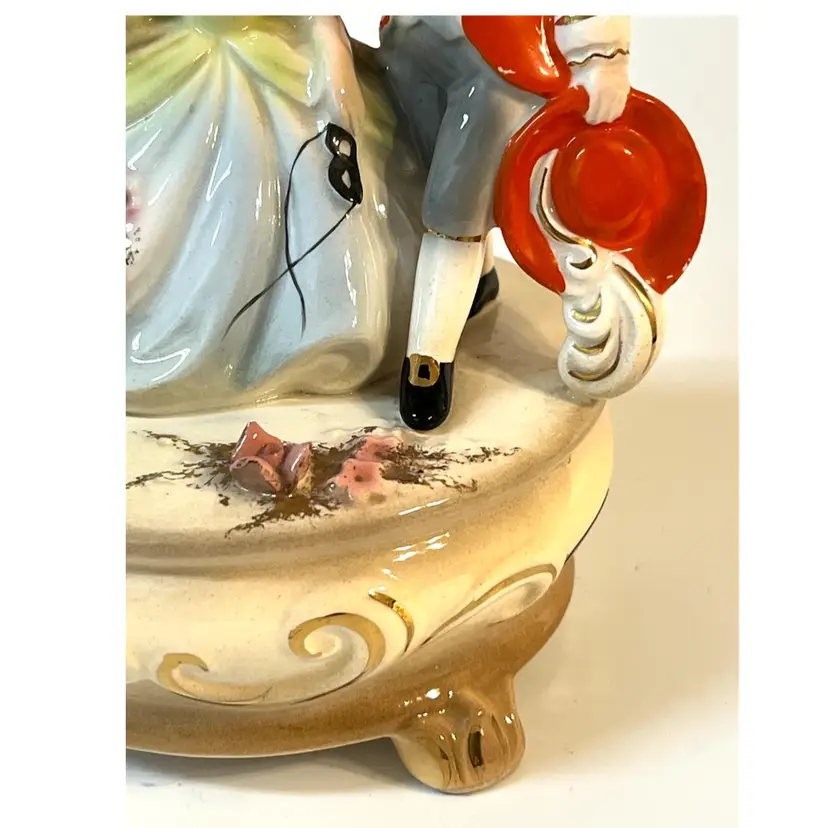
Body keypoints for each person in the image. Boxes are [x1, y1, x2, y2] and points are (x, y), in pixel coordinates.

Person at [377, 15, 632, 430]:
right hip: (412, 39)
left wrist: (602, 54)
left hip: (497, 62)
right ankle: (479, 280)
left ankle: (429, 355)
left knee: (453, 205)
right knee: (418, 164)